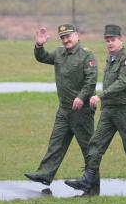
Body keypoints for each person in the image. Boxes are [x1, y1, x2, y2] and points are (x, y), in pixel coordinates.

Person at [64, 24, 126, 194]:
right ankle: (88, 178)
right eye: (107, 40)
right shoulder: (110, 58)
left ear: (121, 40)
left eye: (113, 40)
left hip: (122, 109)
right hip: (108, 110)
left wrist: (100, 96)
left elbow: (121, 82)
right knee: (96, 143)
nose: (110, 43)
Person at [24, 24, 98, 186]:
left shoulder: (87, 55)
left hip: (82, 110)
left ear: (77, 35)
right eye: (63, 38)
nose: (66, 40)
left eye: (68, 36)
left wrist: (81, 97)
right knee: (56, 143)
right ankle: (44, 174)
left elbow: (91, 80)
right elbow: (42, 57)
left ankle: (92, 179)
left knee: (87, 146)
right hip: (64, 109)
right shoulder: (59, 53)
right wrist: (39, 45)